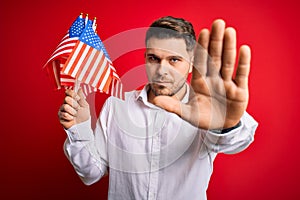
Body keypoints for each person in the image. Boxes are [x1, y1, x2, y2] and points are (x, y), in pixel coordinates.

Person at [58, 16, 258, 200]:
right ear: (145, 58)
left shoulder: (206, 109)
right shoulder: (116, 106)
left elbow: (233, 142)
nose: (162, 70)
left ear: (190, 64)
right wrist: (80, 128)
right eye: (154, 58)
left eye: (174, 60)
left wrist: (226, 124)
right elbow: (91, 173)